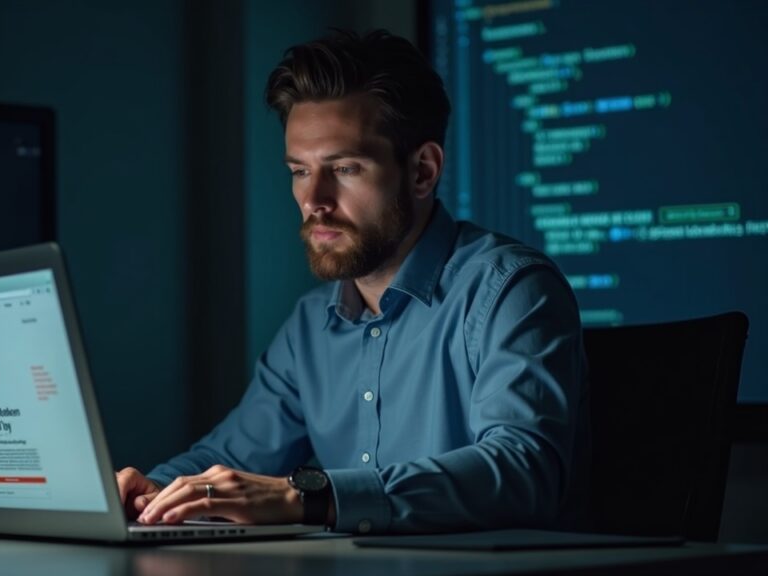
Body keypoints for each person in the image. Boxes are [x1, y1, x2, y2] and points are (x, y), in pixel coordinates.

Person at [117, 29, 588, 534]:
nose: (313, 199)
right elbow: (230, 455)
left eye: (343, 168)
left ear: (423, 172)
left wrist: (310, 498)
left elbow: (523, 471)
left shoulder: (511, 291)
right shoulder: (309, 328)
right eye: (299, 170)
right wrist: (152, 492)